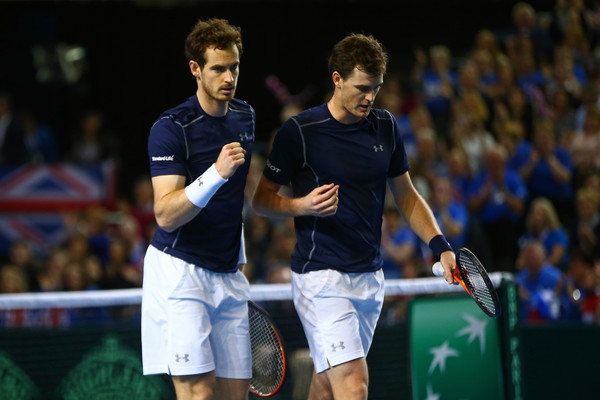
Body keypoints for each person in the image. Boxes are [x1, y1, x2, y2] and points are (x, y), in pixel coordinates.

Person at [252, 33, 456, 400]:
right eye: (362, 88)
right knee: (353, 383)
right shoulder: (299, 132)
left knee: (327, 384)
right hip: (320, 278)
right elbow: (261, 199)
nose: (370, 97)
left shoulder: (385, 126)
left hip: (369, 279)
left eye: (376, 88)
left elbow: (406, 195)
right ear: (337, 79)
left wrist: (440, 245)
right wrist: (302, 205)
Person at [141, 18, 254, 400]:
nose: (229, 77)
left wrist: (238, 256)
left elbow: (233, 201)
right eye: (218, 68)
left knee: (234, 395)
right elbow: (166, 214)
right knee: (199, 394)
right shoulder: (171, 128)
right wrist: (215, 174)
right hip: (180, 273)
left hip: (227, 273)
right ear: (196, 69)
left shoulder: (245, 116)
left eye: (234, 67)